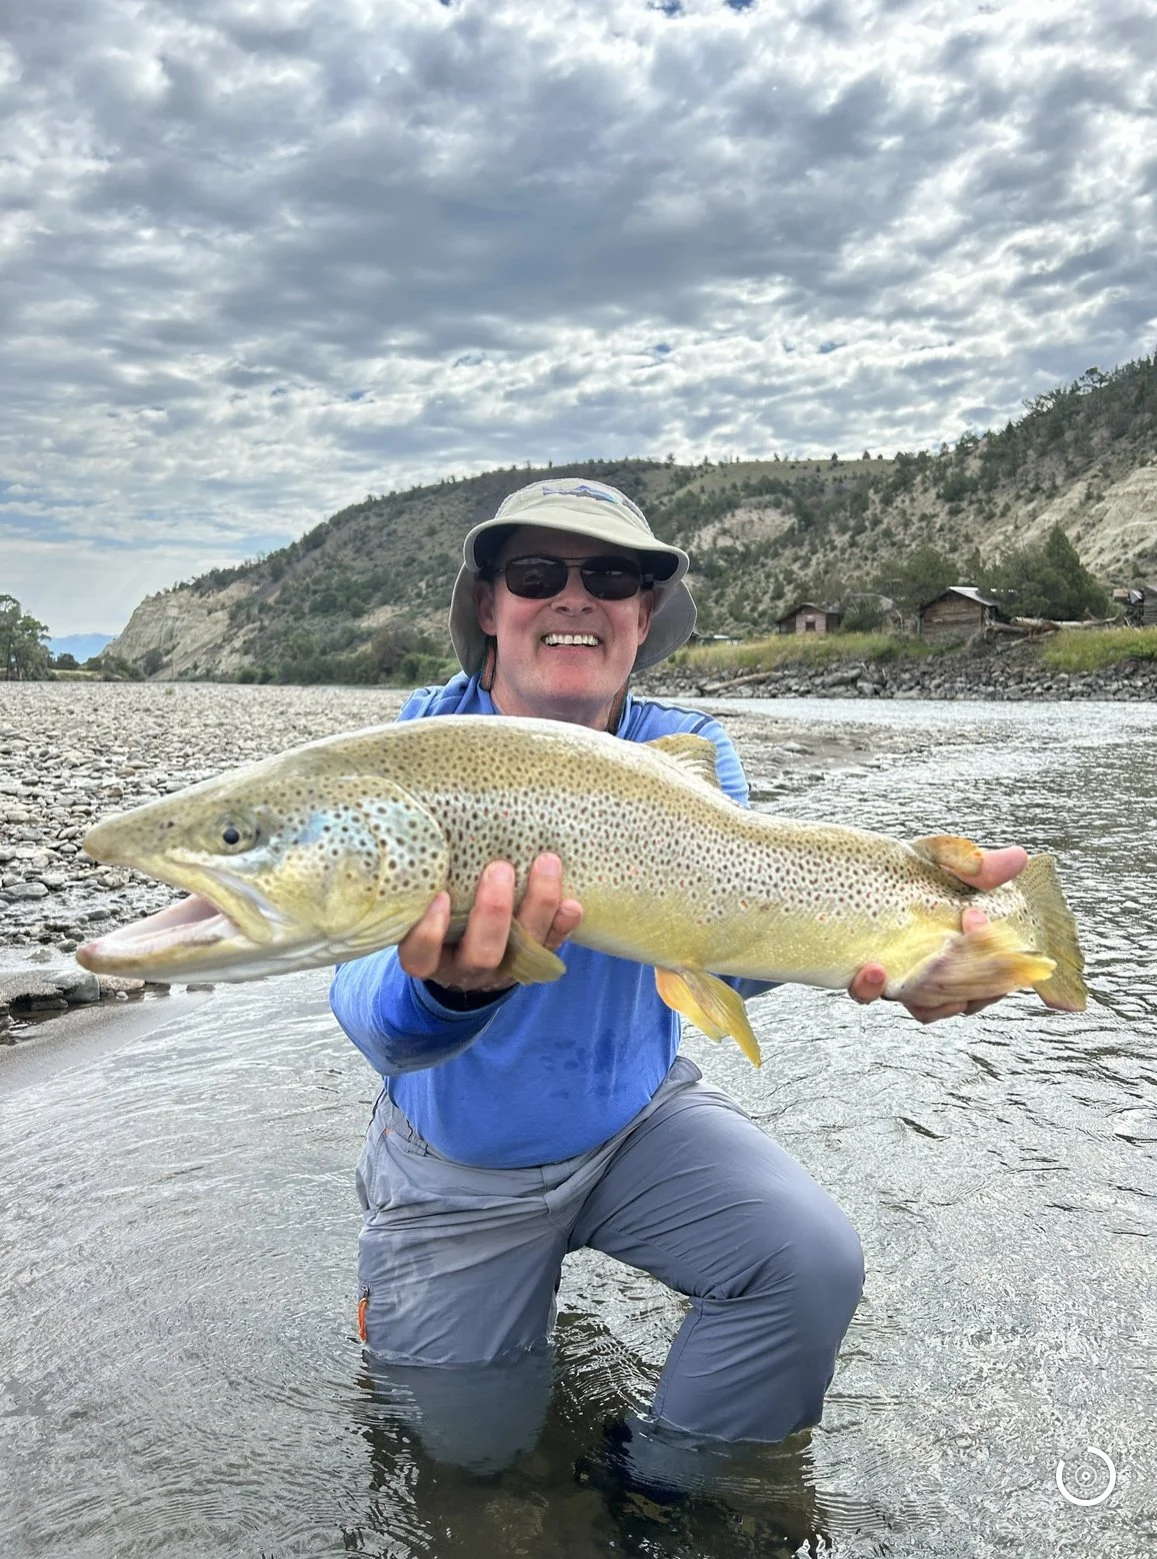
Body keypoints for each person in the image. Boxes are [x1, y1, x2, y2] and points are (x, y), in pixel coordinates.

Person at [330, 476, 1026, 1482]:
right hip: (456, 1158)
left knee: (807, 1262)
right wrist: (445, 992)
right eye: (535, 572)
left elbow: (732, 949)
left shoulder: (687, 753)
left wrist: (909, 950)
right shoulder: (419, 750)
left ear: (643, 611)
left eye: (610, 573)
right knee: (465, 1460)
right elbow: (377, 1022)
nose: (574, 596)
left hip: (631, 1124)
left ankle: (660, 1489)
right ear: (488, 604)